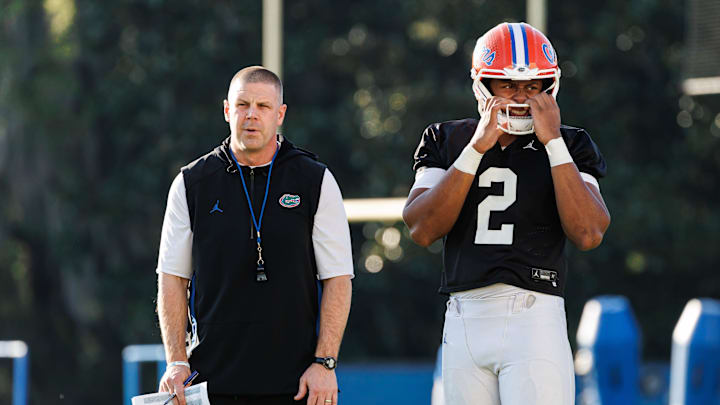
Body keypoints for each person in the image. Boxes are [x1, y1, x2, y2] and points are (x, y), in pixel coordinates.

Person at [403, 22, 610, 405]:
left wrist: (553, 144)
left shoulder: (572, 143)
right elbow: (422, 228)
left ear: (550, 86)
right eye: (508, 85)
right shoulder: (446, 139)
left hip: (534, 317)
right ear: (484, 84)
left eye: (533, 86)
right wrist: (476, 148)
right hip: (464, 317)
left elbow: (589, 233)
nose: (521, 98)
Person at [155, 66, 354, 405]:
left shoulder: (314, 180)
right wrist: (176, 361)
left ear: (280, 114)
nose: (251, 115)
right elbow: (172, 278)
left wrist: (325, 362)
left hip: (295, 384)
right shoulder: (192, 183)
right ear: (227, 110)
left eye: (263, 107)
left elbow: (338, 279)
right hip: (210, 382)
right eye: (243, 105)